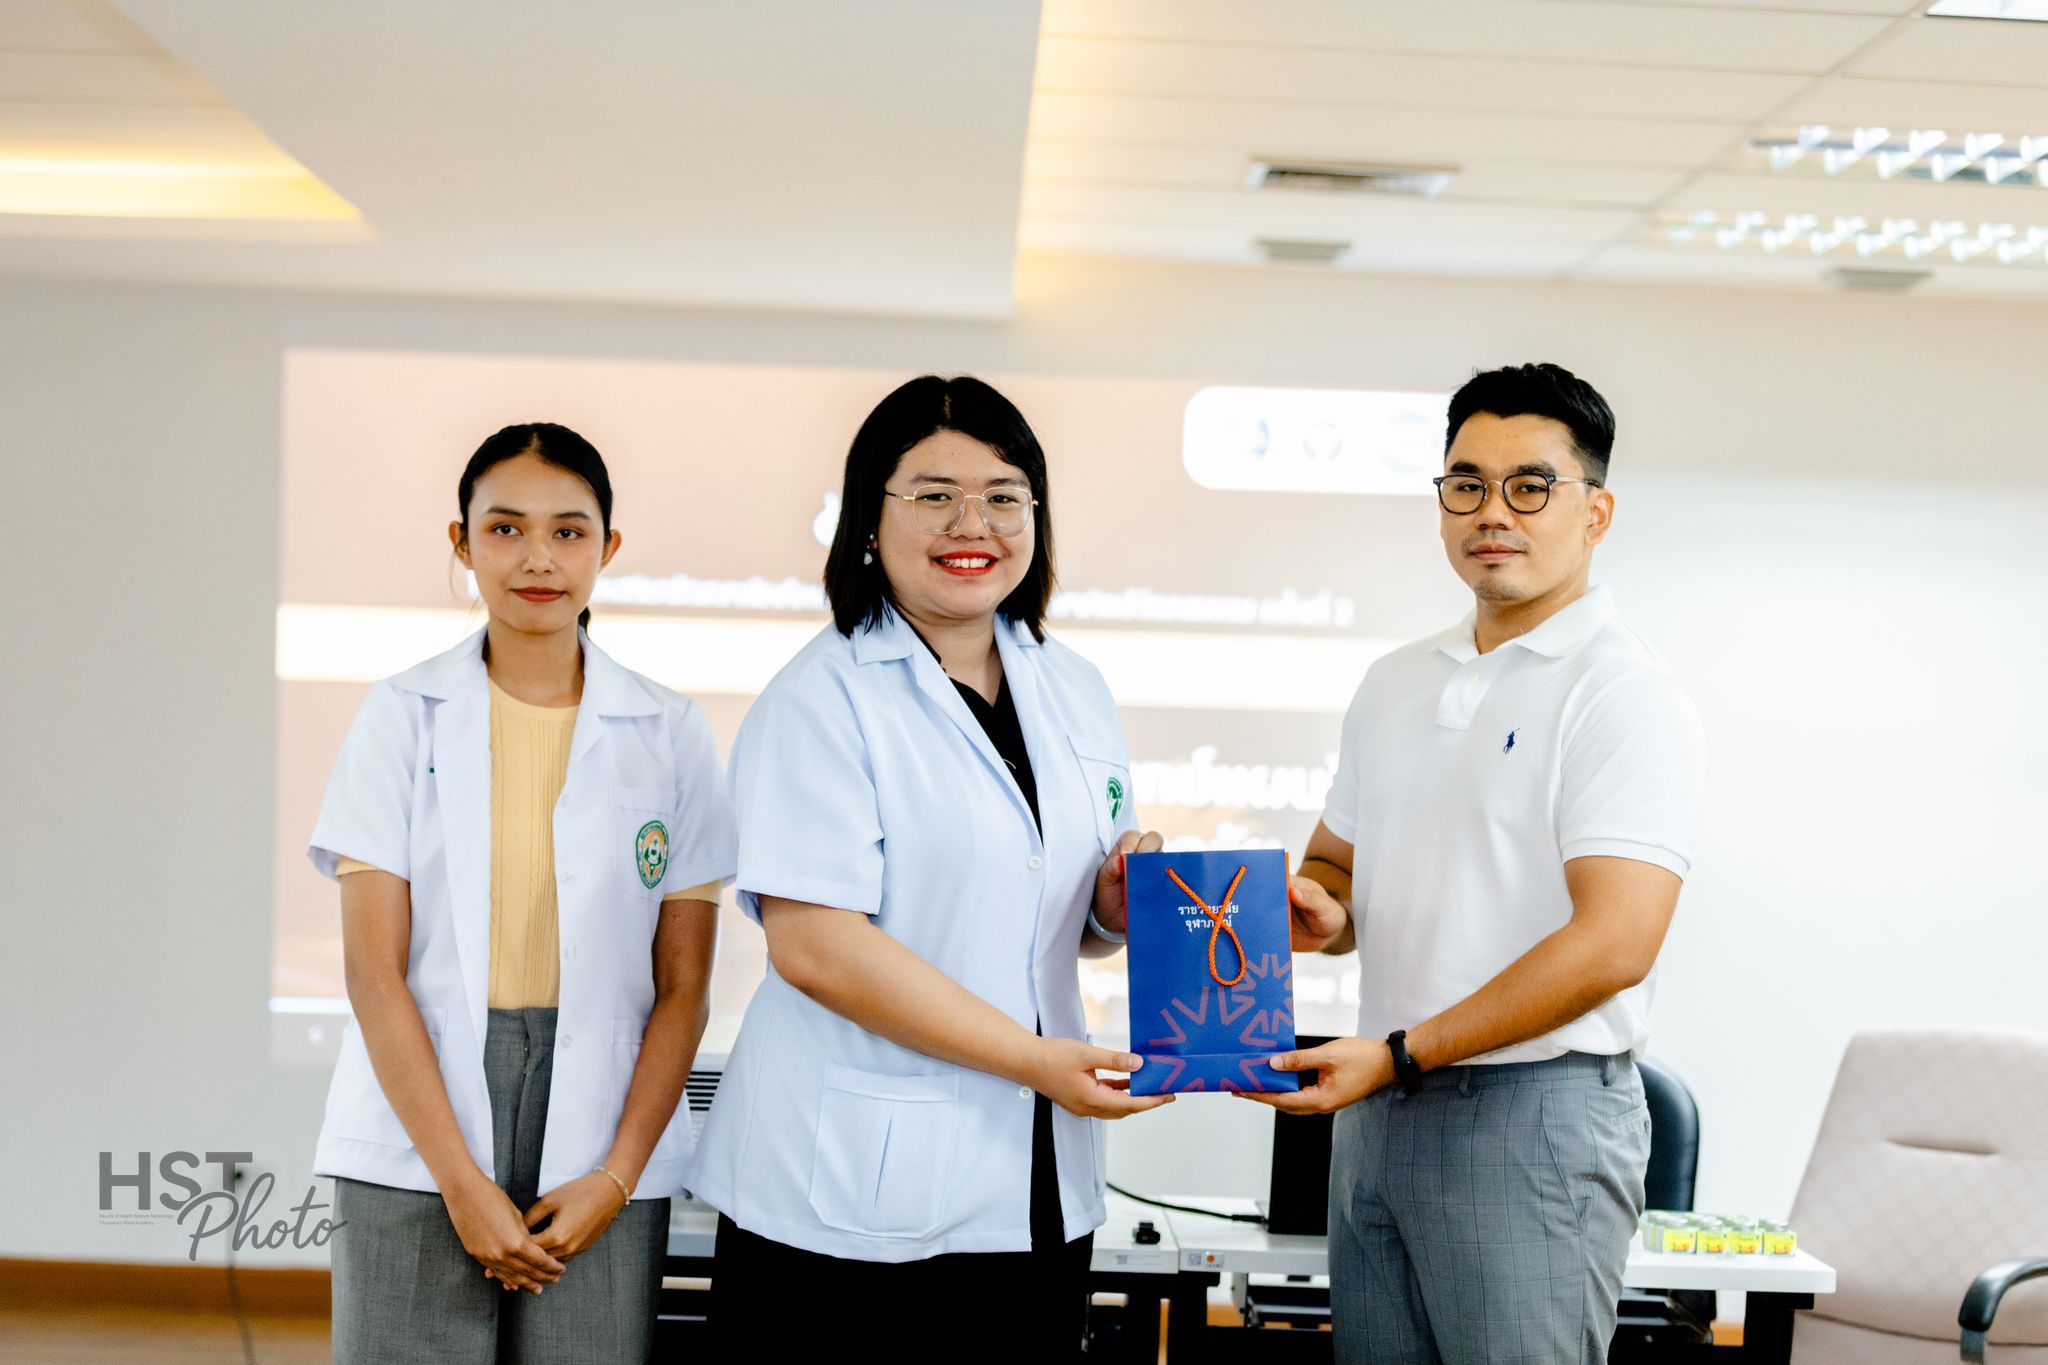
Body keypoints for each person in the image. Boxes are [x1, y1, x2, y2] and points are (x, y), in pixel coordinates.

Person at [687, 375, 1168, 1362]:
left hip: (1034, 1186)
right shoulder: (819, 699)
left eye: (1003, 496)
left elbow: (1046, 916)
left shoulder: (1070, 685)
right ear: (870, 518)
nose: (972, 524)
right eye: (934, 494)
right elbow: (817, 950)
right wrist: (1034, 1061)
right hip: (849, 1199)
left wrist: (1109, 908)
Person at [1248, 364, 1709, 1364]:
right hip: (1378, 1108)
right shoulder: (1394, 681)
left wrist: (1402, 1052)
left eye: (1529, 485)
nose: (1492, 512)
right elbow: (1335, 865)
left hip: (1532, 1111)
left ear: (1595, 512)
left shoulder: (1624, 692)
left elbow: (1614, 944)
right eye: (1466, 484)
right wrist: (1322, 907)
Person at [308, 422, 736, 1363]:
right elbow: (374, 972)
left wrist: (615, 1178)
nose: (538, 557)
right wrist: (459, 1181)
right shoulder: (400, 715)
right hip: (422, 1116)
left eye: (568, 531)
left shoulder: (670, 731)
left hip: (604, 1134)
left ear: (607, 547)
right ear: (461, 544)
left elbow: (684, 988)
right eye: (504, 529)